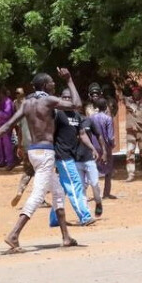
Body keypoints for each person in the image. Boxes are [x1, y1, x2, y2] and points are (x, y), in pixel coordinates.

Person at [0, 69, 83, 252]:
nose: (54, 84)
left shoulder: (26, 103)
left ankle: (66, 236)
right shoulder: (49, 100)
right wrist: (69, 80)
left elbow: (8, 125)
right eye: (51, 82)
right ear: (45, 85)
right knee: (38, 195)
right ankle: (14, 234)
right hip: (46, 153)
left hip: (33, 152)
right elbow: (77, 104)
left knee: (57, 191)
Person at [52, 88, 96, 226]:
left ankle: (55, 219)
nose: (66, 100)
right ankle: (85, 216)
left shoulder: (76, 115)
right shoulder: (58, 114)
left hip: (71, 156)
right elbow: (51, 134)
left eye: (69, 97)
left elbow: (82, 134)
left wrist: (92, 147)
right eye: (64, 97)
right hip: (62, 155)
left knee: (62, 189)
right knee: (75, 184)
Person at [88, 98, 116, 201]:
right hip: (105, 147)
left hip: (94, 146)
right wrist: (112, 145)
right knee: (108, 170)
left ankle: (96, 194)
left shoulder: (91, 118)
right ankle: (106, 193)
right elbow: (110, 136)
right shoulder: (108, 118)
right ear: (105, 107)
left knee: (94, 169)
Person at [123, 85, 142, 181]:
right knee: (130, 151)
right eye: (134, 92)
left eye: (137, 92)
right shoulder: (128, 100)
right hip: (131, 130)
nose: (135, 93)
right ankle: (131, 173)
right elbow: (121, 96)